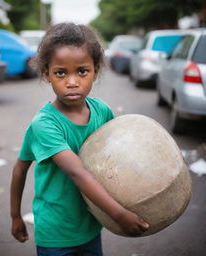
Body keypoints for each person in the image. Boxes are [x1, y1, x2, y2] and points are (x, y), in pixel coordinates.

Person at [10, 22, 149, 256]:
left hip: (91, 225)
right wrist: (15, 216)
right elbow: (72, 172)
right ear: (46, 74)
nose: (72, 81)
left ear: (95, 70)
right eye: (61, 72)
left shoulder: (102, 112)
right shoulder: (45, 124)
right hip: (56, 232)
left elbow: (117, 157)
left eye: (82, 71)